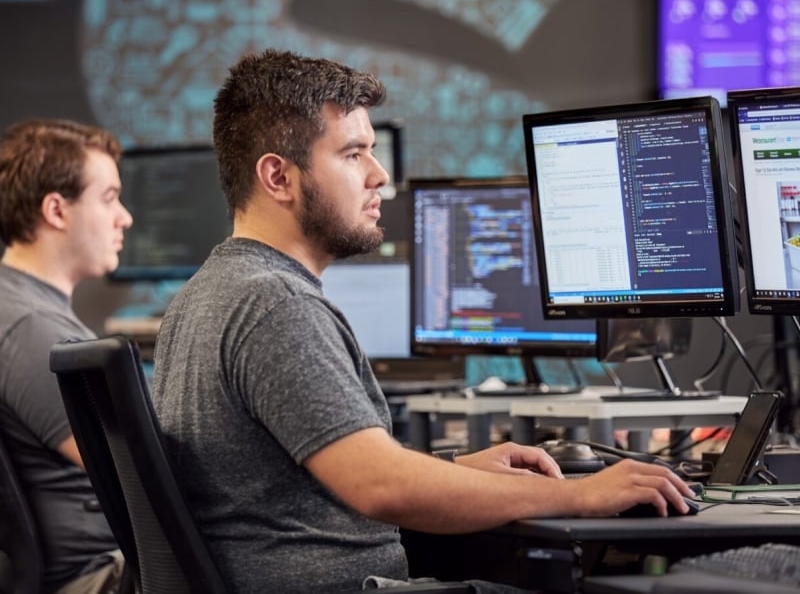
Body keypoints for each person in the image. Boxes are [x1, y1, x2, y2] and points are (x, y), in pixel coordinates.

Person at [151, 49, 694, 594]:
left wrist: (456, 467)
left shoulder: (205, 295)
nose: (379, 175)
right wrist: (581, 494)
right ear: (278, 177)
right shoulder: (273, 305)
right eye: (353, 154)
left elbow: (295, 481)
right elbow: (382, 487)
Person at [0, 119, 133, 593]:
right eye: (109, 197)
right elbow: (143, 467)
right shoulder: (30, 328)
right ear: (56, 210)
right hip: (95, 578)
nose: (125, 217)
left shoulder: (21, 307)